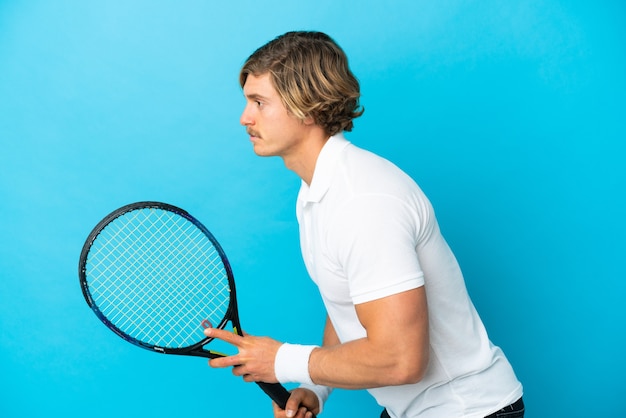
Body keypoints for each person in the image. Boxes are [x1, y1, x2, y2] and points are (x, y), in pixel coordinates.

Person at [203, 31, 524, 418]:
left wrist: (283, 360)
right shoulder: (318, 192)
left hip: (468, 411)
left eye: (259, 102)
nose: (245, 118)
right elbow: (351, 302)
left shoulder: (362, 201)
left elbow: (400, 360)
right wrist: (315, 387)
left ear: (306, 106)